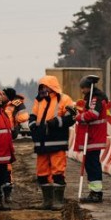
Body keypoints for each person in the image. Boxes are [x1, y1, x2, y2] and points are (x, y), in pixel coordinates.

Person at [27, 75, 76, 210]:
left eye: (45, 85)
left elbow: (72, 117)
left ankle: (58, 202)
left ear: (52, 86)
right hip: (41, 142)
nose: (43, 88)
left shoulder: (64, 99)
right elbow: (33, 115)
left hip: (57, 141)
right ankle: (47, 202)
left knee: (58, 172)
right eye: (41, 86)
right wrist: (32, 125)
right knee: (42, 173)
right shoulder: (39, 100)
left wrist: (56, 122)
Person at [75, 74, 111, 203]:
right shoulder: (92, 97)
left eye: (83, 88)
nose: (82, 91)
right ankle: (93, 191)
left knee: (93, 164)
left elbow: (93, 114)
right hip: (92, 136)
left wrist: (79, 117)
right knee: (90, 164)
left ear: (88, 87)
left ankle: (96, 193)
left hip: (94, 136)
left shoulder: (96, 98)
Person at [1, 87, 30, 205]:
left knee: (7, 168)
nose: (0, 95)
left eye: (3, 94)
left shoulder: (15, 105)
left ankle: (7, 194)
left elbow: (23, 117)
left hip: (8, 138)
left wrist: (19, 107)